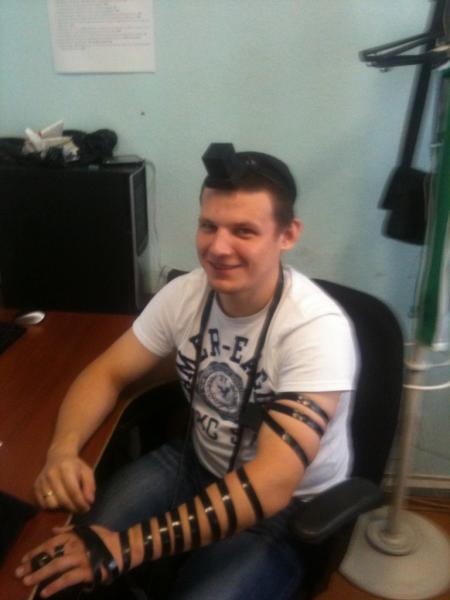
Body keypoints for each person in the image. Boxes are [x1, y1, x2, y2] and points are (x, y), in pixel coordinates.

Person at [15, 143, 358, 600]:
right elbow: (107, 373)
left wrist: (126, 547)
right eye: (208, 226)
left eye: (244, 231)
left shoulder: (316, 329)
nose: (218, 248)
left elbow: (272, 484)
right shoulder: (186, 294)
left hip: (285, 508)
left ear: (287, 234)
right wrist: (63, 450)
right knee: (61, 556)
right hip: (197, 464)